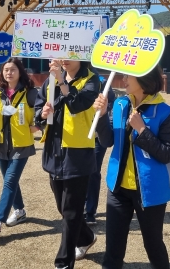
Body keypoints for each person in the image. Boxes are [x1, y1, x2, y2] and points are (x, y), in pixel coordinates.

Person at [93, 66, 170, 269]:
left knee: (153, 244)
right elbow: (107, 141)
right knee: (113, 248)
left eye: (128, 75)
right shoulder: (120, 104)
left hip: (150, 191)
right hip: (118, 188)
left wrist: (142, 129)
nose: (123, 79)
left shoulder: (165, 112)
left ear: (143, 79)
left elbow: (167, 154)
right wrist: (102, 115)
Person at [34, 59, 100, 269]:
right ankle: (86, 237)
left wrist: (62, 83)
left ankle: (63, 262)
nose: (64, 59)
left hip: (78, 152)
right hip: (54, 151)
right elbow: (38, 108)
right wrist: (42, 114)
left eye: (69, 53)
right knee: (63, 207)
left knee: (71, 211)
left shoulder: (92, 80)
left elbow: (77, 104)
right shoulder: (50, 80)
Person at [0, 58, 38, 239]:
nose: (9, 73)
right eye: (6, 69)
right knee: (10, 181)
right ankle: (20, 210)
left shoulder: (30, 92)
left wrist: (39, 125)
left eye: (13, 69)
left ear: (20, 72)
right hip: (0, 143)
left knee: (9, 181)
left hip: (21, 143)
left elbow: (44, 110)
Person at [84, 74, 116, 225]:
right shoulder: (75, 81)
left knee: (93, 172)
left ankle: (90, 211)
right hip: (78, 136)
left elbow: (111, 105)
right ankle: (79, 207)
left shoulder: (103, 82)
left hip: (98, 136)